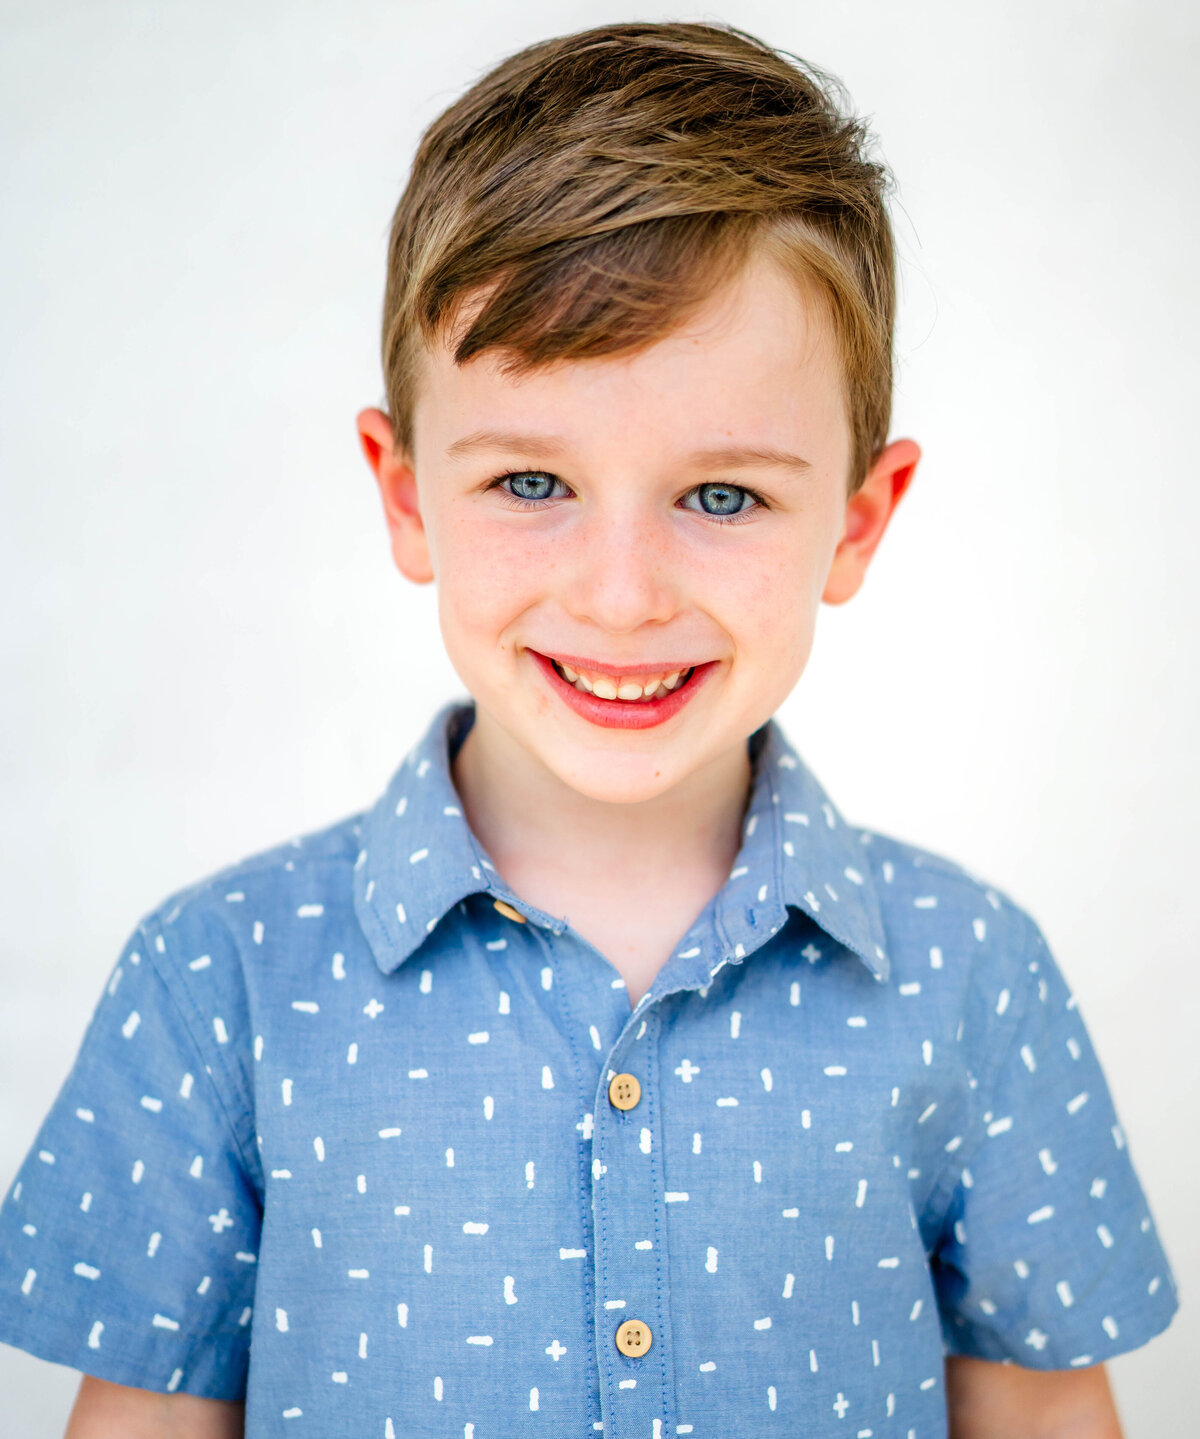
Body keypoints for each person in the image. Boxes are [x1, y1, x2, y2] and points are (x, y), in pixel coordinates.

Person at [0, 19, 1177, 1439]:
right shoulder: (220, 984)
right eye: (531, 483)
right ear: (406, 493)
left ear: (859, 522)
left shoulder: (973, 978)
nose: (622, 597)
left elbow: (1049, 1418)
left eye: (723, 497)